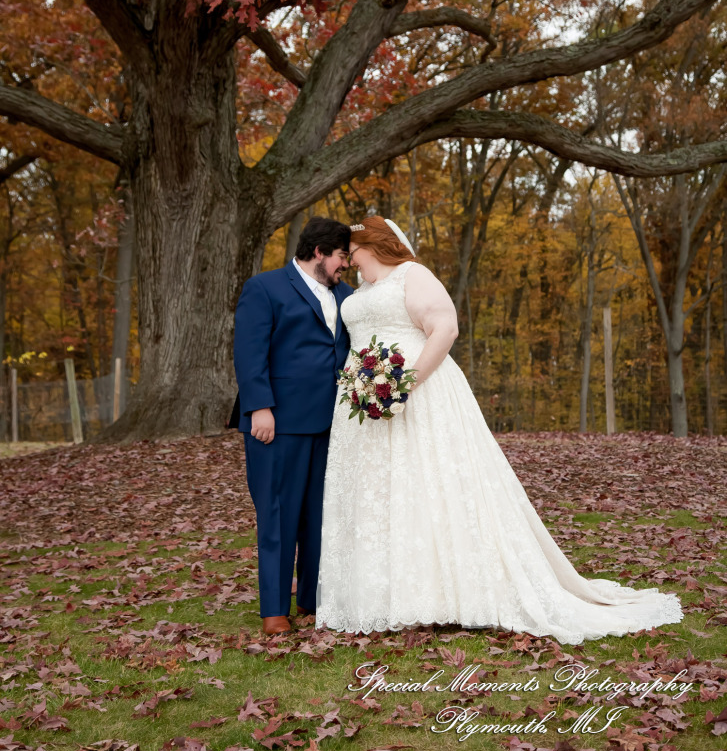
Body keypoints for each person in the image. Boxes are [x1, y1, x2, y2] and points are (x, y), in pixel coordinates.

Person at [316, 216, 683, 643]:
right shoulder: (361, 292)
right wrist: (368, 385)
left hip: (420, 393)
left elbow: (446, 328)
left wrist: (405, 384)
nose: (351, 261)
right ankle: (383, 597)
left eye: (354, 252)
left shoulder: (413, 276)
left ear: (374, 245)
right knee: (381, 493)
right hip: (365, 401)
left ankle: (450, 594)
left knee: (430, 485)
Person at [233, 216, 353, 635]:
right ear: (319, 252)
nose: (345, 267)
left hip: (333, 424)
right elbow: (249, 353)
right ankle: (273, 610)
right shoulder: (265, 288)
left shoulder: (349, 295)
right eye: (341, 257)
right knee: (278, 514)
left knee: (320, 516)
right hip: (278, 421)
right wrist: (259, 408)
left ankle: (310, 601)